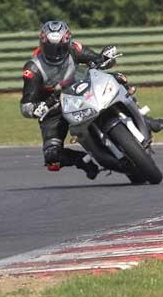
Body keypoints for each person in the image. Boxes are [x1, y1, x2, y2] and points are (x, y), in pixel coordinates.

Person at [20, 19, 163, 180]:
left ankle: (146, 120)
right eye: (51, 48)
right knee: (52, 156)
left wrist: (105, 58)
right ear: (42, 44)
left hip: (82, 87)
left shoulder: (75, 49)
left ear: (68, 42)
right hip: (54, 107)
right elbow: (26, 105)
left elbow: (97, 60)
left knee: (118, 79)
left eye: (61, 48)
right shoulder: (32, 69)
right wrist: (37, 108)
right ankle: (84, 162)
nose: (57, 53)